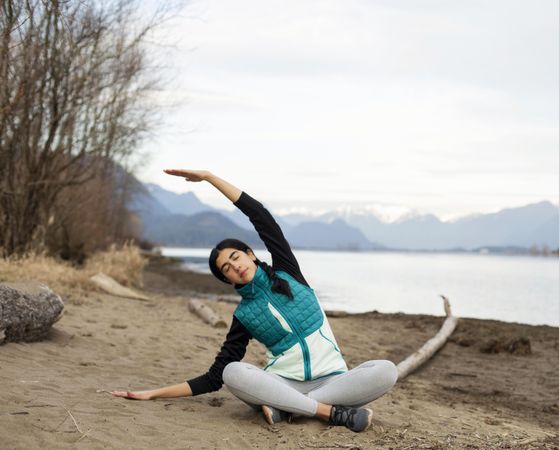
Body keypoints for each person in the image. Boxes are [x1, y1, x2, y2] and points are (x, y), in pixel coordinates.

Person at [111, 170, 398, 433]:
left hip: (333, 380)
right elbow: (214, 378)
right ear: (229, 281)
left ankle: (290, 407)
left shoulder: (289, 272)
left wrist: (210, 178)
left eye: (235, 257)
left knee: (386, 370)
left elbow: (260, 216)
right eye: (226, 269)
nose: (234, 266)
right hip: (284, 382)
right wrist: (153, 393)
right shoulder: (244, 315)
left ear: (249, 253)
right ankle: (328, 413)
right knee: (233, 371)